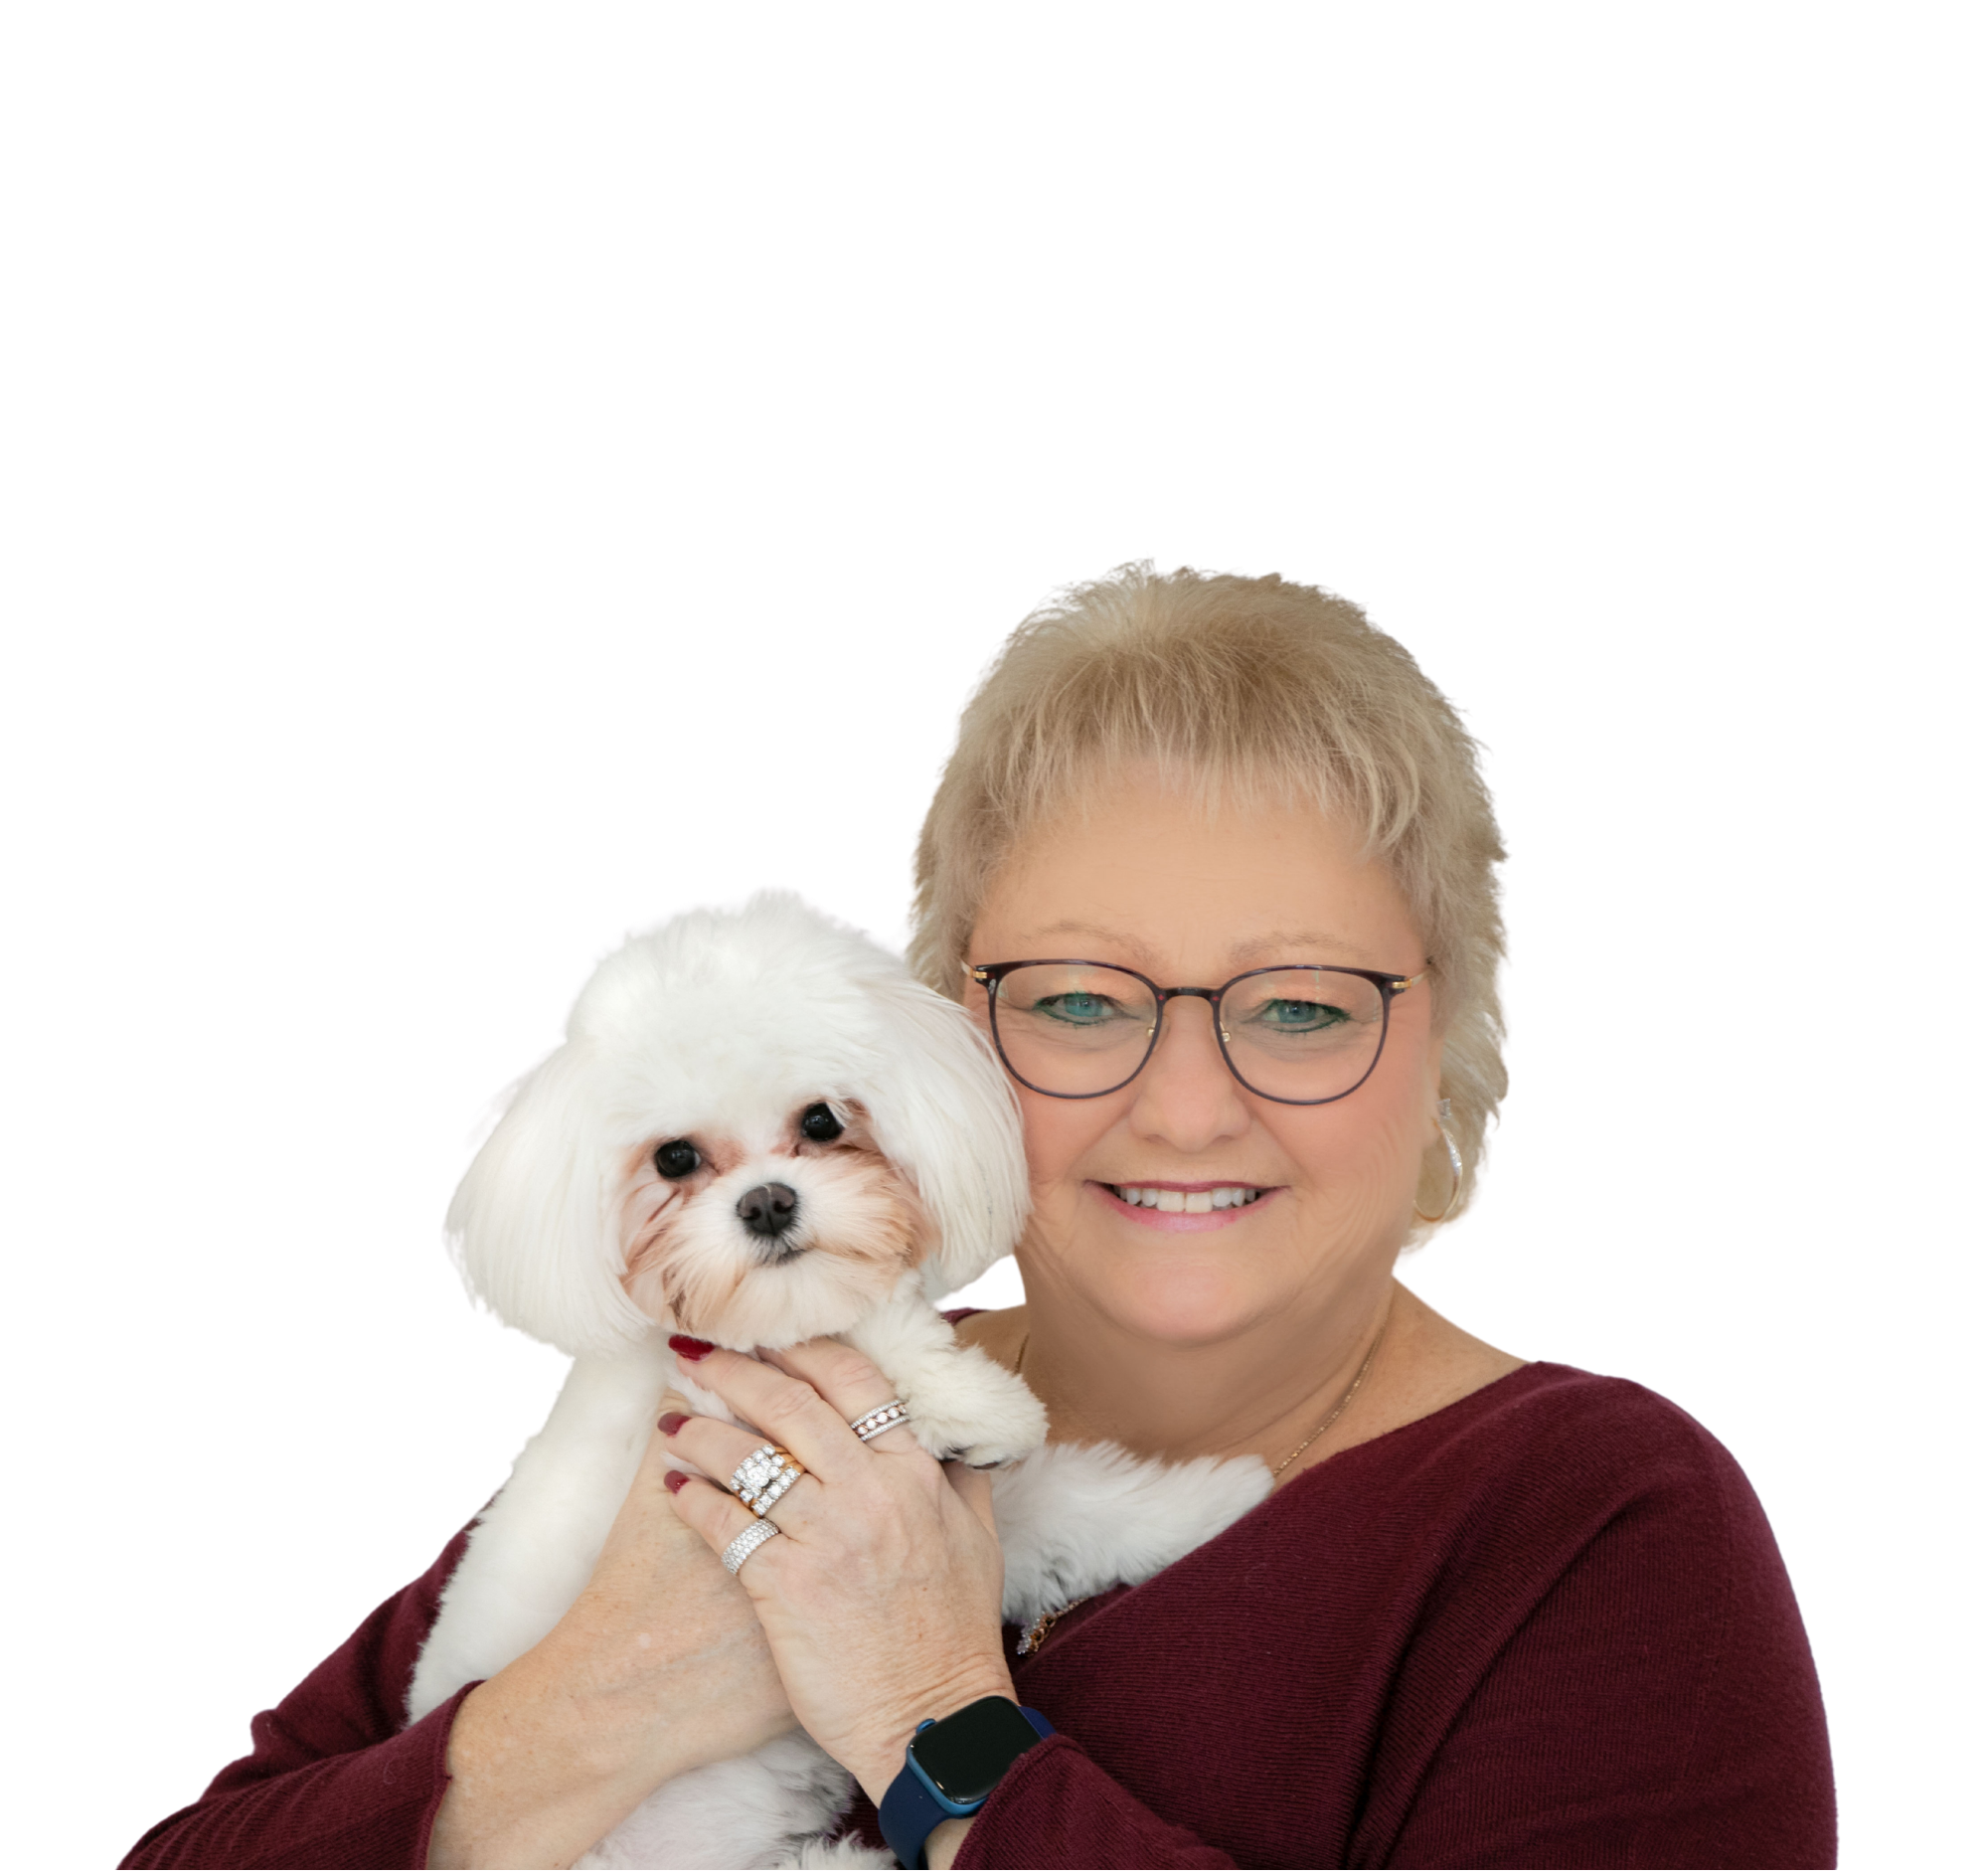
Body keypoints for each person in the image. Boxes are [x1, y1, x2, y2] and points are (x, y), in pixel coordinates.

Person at [119, 557, 1838, 1870]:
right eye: (1083, 999)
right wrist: (595, 1705)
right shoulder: (743, 1402)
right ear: (942, 1036)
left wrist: (930, 1718)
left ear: (1447, 1043)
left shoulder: (1597, 1521)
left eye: (1303, 1004)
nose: (1187, 1103)